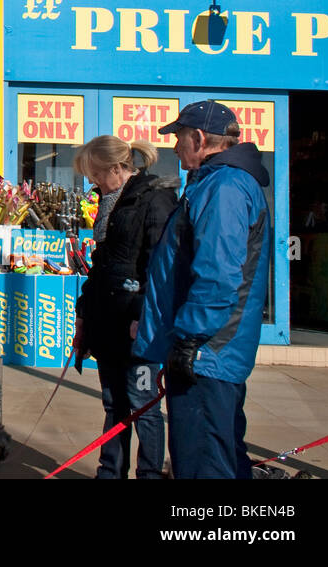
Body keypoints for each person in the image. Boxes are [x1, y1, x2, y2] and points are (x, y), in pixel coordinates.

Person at [134, 100, 271, 480]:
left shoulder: (225, 186)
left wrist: (189, 341)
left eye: (178, 137)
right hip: (207, 351)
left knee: (204, 463)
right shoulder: (215, 182)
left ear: (198, 138)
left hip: (208, 353)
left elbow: (217, 274)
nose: (174, 147)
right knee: (218, 456)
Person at [72, 135, 176, 479]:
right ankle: (110, 472)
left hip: (137, 324)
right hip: (107, 322)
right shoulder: (108, 201)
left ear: (117, 168)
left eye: (97, 174)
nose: (93, 182)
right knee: (113, 403)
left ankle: (149, 474)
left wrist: (143, 314)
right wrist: (84, 314)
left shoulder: (155, 199)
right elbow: (100, 267)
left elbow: (160, 265)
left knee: (144, 406)